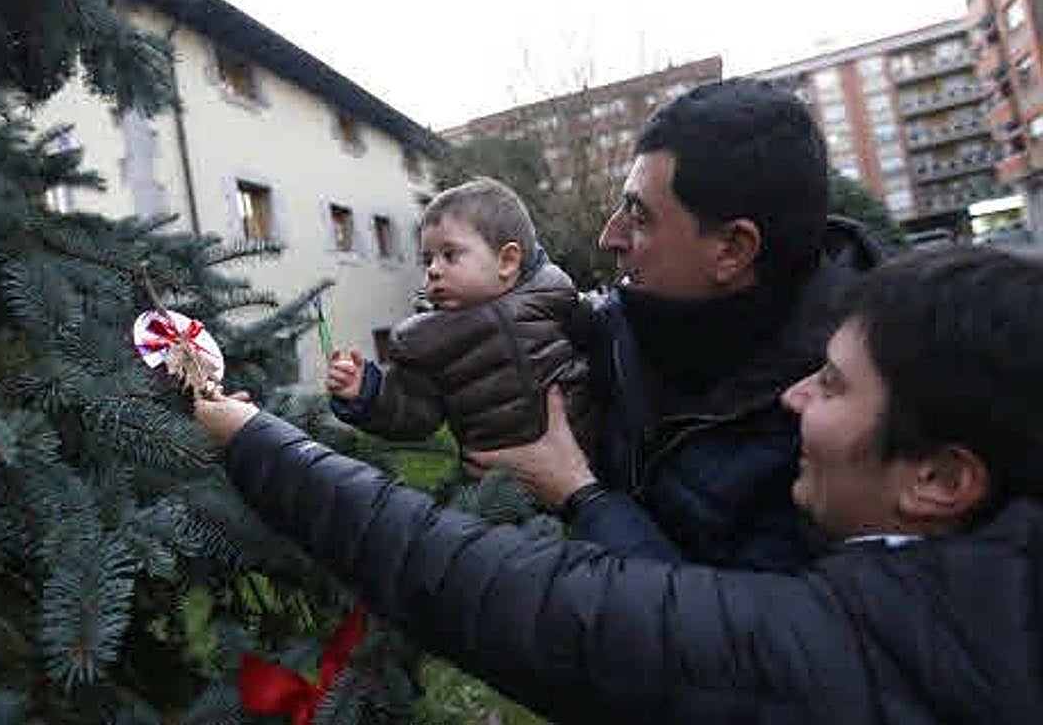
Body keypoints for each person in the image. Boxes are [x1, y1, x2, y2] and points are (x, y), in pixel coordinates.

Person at [197, 247, 1043, 724]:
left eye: (830, 385)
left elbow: (510, 596)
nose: (794, 398)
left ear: (939, 478)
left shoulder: (848, 658)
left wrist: (254, 439)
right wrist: (585, 494)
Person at [471, 78, 882, 569]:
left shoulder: (854, 428)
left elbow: (733, 633)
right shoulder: (629, 325)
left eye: (640, 217)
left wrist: (579, 493)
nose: (609, 237)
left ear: (731, 249)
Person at [324, 176, 598, 455]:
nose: (432, 269)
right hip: (500, 488)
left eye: (449, 255)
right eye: (427, 259)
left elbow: (603, 345)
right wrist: (366, 393)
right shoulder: (427, 341)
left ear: (507, 261)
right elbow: (414, 414)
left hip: (591, 465)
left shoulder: (554, 295)